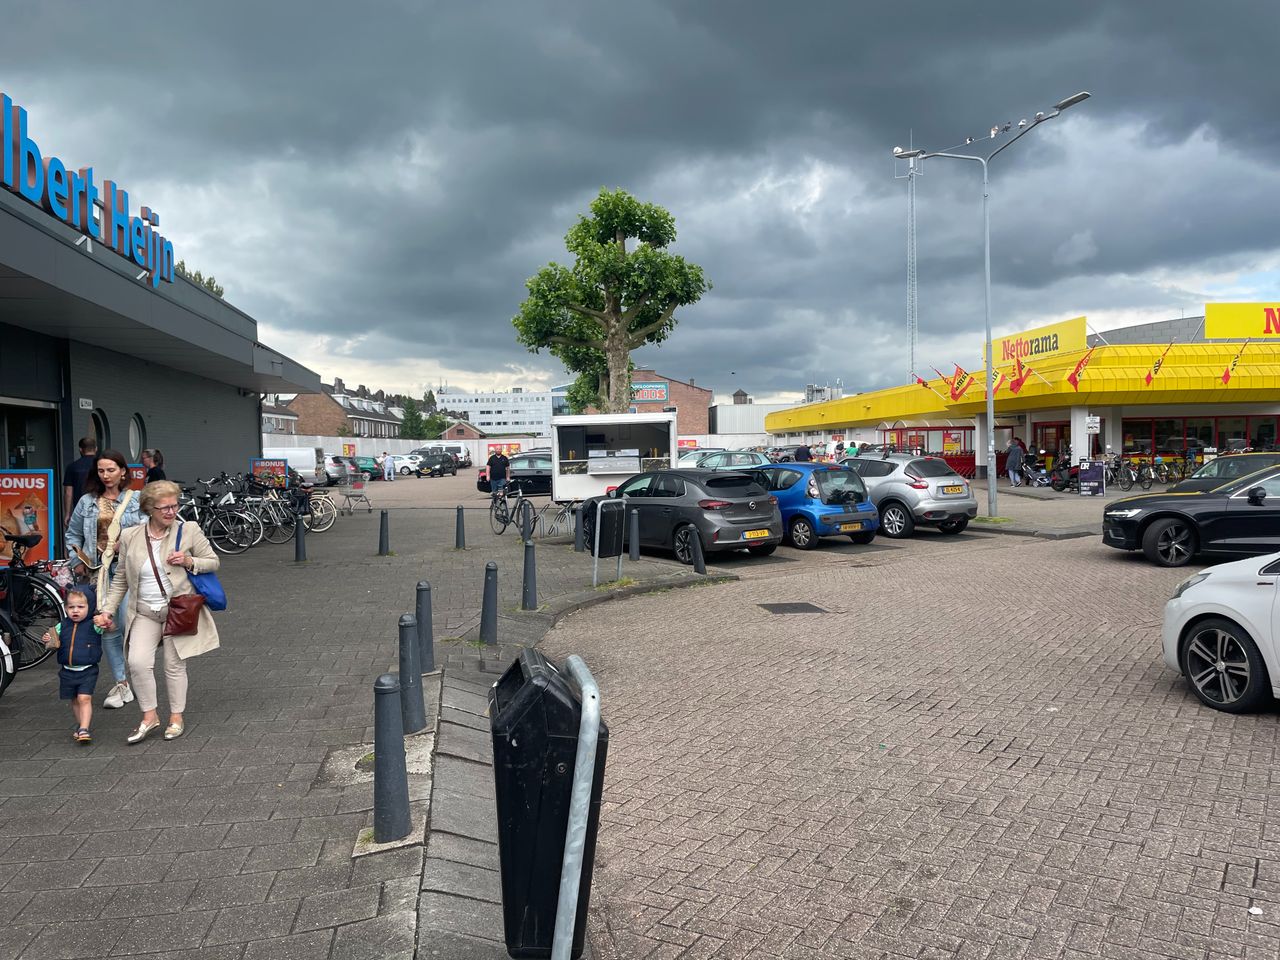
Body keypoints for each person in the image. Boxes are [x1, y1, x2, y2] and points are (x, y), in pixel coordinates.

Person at [97, 480, 220, 744]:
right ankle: (149, 716)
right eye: (163, 507)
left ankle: (176, 717)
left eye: (174, 505)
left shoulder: (189, 530)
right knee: (138, 663)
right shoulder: (130, 535)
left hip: (178, 610)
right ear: (149, 509)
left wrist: (189, 561)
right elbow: (121, 579)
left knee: (174, 666)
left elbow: (213, 562)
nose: (170, 511)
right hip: (143, 612)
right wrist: (107, 610)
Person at [66, 449, 141, 709]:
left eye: (111, 470)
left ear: (123, 471)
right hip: (98, 574)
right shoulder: (87, 502)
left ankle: (139, 674)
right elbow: (72, 534)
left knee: (129, 624)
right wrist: (77, 561)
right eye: (101, 470)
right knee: (108, 627)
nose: (106, 475)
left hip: (129, 572)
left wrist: (128, 544)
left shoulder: (136, 500)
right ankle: (122, 684)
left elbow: (150, 534)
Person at [42, 584, 104, 744]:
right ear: (65, 608)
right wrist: (48, 639)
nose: (75, 610)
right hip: (67, 670)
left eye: (81, 607)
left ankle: (84, 728)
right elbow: (51, 638)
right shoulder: (62, 625)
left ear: (90, 607)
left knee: (84, 698)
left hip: (88, 669)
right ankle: (80, 725)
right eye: (71, 607)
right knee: (75, 700)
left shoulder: (93, 625)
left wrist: (106, 622)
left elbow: (109, 627)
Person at [62, 437, 98, 530]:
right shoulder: (103, 465)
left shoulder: (72, 467)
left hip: (80, 509)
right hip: (102, 507)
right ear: (96, 449)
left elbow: (68, 492)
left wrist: (67, 514)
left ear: (80, 450)